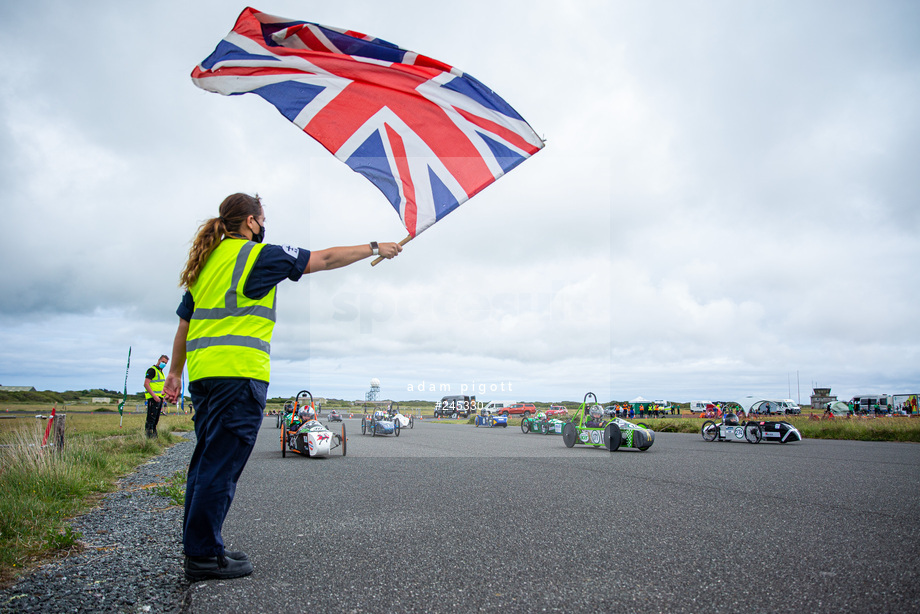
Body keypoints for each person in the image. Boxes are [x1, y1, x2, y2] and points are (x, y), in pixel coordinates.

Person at [162, 193, 400, 581]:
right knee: (220, 467)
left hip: (204, 377)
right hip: (238, 375)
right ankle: (203, 555)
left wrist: (175, 372)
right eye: (262, 217)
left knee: (206, 462)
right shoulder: (258, 256)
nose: (264, 224)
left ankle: (200, 546)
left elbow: (184, 326)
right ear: (252, 222)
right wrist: (376, 247)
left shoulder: (206, 263)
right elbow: (323, 259)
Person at [143, 355, 169, 438]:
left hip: (159, 398)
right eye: (163, 362)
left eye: (165, 363)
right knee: (151, 418)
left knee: (156, 419)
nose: (163, 364)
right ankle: (149, 436)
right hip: (153, 398)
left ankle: (154, 436)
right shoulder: (152, 370)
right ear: (159, 360)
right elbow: (146, 384)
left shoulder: (161, 372)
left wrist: (163, 398)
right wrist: (154, 396)